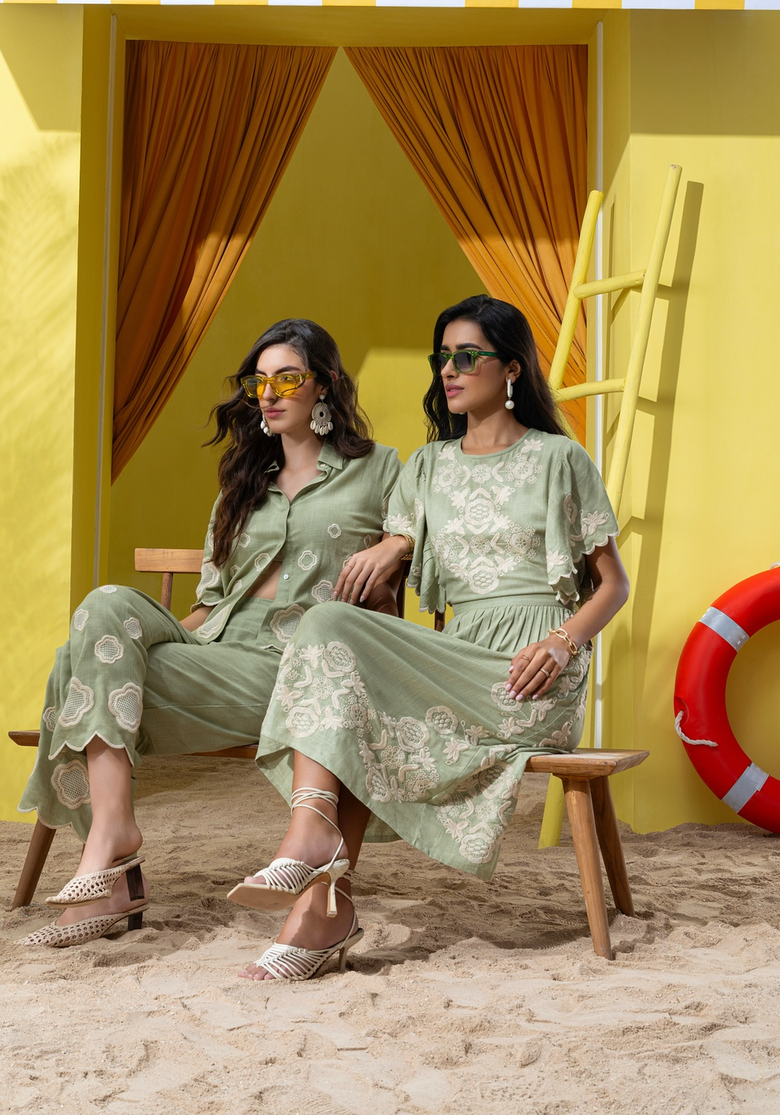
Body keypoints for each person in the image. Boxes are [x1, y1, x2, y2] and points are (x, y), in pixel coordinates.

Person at [230, 295, 630, 981]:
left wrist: (562, 642)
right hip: (457, 651)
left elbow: (614, 585)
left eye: (467, 356)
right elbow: (393, 560)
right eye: (443, 357)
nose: (450, 370)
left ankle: (318, 899)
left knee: (350, 676)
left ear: (511, 369)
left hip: (531, 667)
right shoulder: (427, 467)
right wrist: (391, 550)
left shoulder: (560, 458)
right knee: (328, 624)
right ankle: (315, 857)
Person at [19, 319, 402, 947]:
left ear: (325, 385)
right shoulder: (242, 482)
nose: (269, 394)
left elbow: (414, 546)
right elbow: (211, 602)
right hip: (215, 649)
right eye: (259, 382)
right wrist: (140, 651)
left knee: (73, 669)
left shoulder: (380, 469)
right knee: (103, 609)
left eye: (287, 379)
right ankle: (112, 834)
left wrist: (394, 547)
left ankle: (114, 876)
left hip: (296, 670)